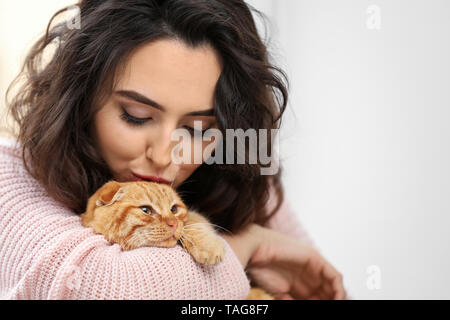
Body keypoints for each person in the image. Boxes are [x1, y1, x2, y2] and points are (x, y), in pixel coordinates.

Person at [0, 0, 349, 299]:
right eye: (136, 116)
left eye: (196, 130)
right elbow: (102, 287)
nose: (166, 156)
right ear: (80, 99)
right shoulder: (9, 175)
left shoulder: (241, 182)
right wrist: (246, 246)